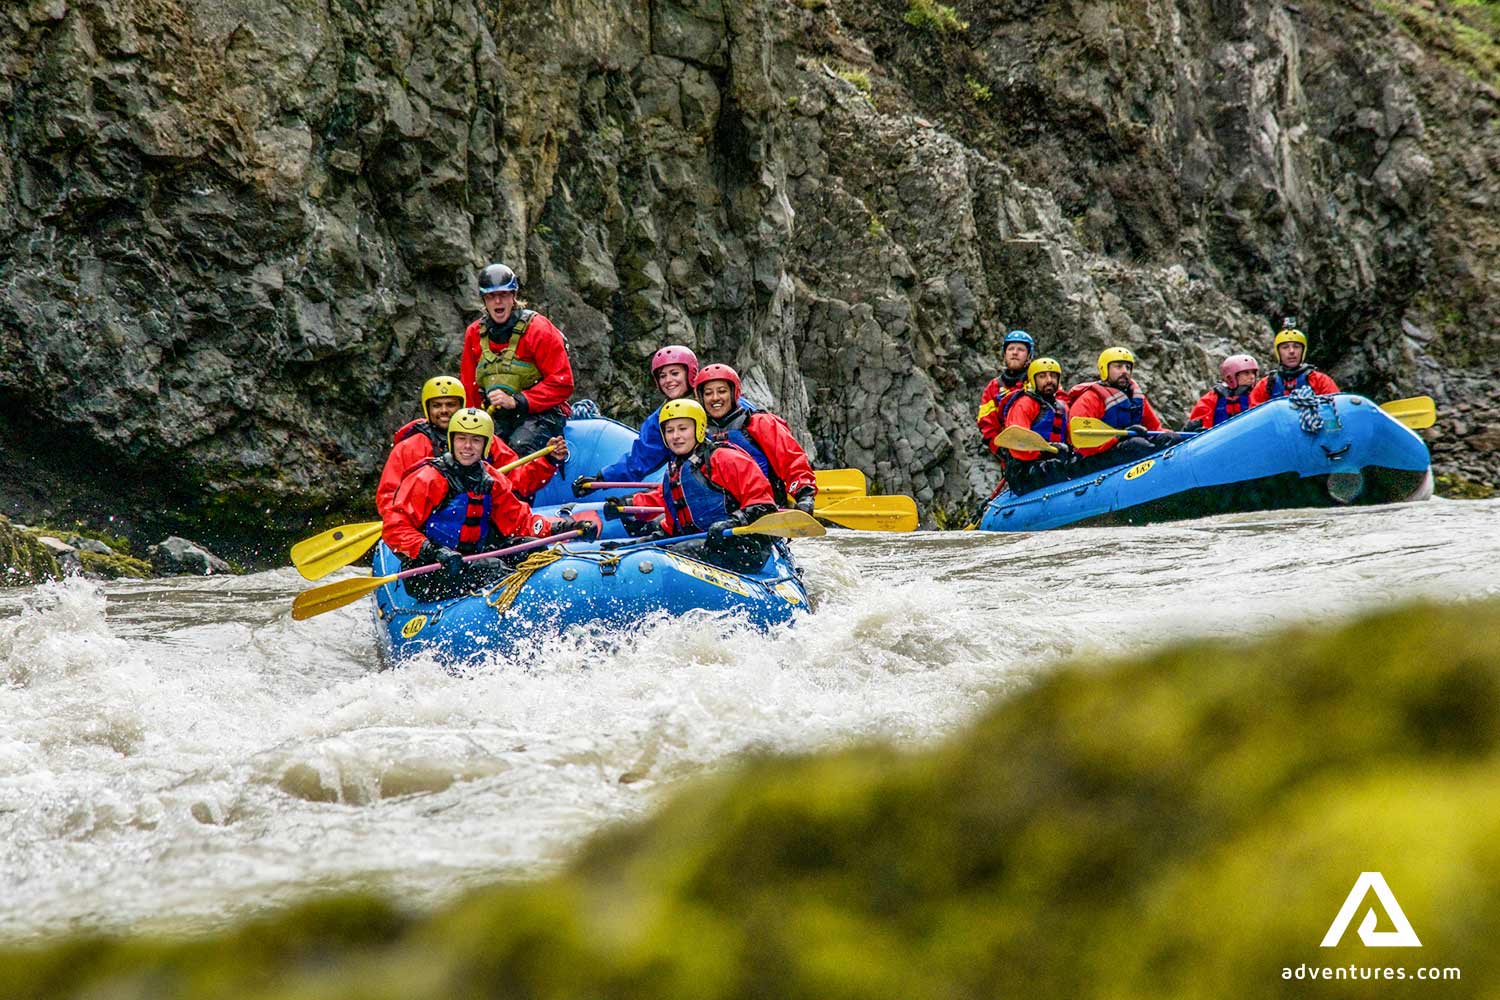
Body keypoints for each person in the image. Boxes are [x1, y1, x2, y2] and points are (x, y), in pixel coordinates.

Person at [382, 408, 597, 600]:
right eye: (461, 439)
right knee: (491, 568)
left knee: (534, 550)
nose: (467, 447)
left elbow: (520, 521)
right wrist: (432, 551)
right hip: (430, 568)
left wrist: (565, 527)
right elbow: (395, 527)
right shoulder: (428, 478)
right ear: (451, 441)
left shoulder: (491, 479)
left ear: (485, 446)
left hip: (473, 556)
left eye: (475, 440)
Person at [616, 399, 778, 573]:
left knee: (676, 555)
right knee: (640, 553)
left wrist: (731, 522)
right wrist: (635, 546)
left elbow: (764, 506)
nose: (675, 436)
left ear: (699, 429)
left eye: (683, 429)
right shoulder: (673, 472)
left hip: (744, 545)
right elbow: (672, 530)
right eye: (669, 431)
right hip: (704, 543)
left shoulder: (726, 459)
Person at [378, 375, 567, 517]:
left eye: (450, 404)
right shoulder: (410, 447)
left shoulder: (485, 440)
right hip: (432, 527)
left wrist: (548, 461)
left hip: (478, 523)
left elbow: (520, 482)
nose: (444, 411)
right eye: (437, 405)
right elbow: (389, 496)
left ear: (461, 406)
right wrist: (402, 525)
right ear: (428, 409)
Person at [459, 263, 575, 454]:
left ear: (513, 296)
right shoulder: (474, 334)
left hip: (542, 414)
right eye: (491, 296)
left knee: (520, 447)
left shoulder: (538, 329)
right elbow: (469, 388)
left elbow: (562, 382)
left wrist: (517, 401)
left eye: (503, 295)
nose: (498, 302)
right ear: (484, 300)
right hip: (498, 415)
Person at [572, 345, 697, 496]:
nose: (668, 381)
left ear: (690, 373)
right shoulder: (659, 419)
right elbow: (640, 459)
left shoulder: (711, 400)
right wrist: (600, 479)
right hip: (692, 484)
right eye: (662, 376)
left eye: (674, 373)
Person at [693, 363, 818, 514]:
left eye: (722, 391)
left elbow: (792, 461)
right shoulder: (696, 432)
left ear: (734, 393)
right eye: (708, 393)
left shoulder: (759, 423)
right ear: (701, 397)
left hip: (763, 511)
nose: (715, 398)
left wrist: (804, 494)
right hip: (718, 517)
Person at [1067, 346, 1179, 470]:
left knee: (1170, 438)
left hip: (1128, 445)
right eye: (1118, 366)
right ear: (1105, 369)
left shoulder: (1135, 396)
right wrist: (1119, 437)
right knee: (1136, 445)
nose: (1124, 371)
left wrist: (1169, 435)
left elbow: (1155, 428)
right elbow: (1083, 445)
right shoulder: (1089, 398)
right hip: (1095, 456)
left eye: (1128, 367)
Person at [996, 357, 1075, 495]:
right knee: (1055, 467)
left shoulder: (1063, 407)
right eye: (1042, 376)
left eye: (1053, 376)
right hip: (1023, 469)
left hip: (1055, 460)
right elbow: (1016, 443)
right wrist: (1045, 451)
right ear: (1033, 379)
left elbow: (1071, 439)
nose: (1049, 380)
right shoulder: (1024, 404)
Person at [1248, 322, 1341, 404]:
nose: (1291, 351)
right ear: (1278, 352)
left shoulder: (1320, 381)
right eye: (1285, 347)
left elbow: (1336, 406)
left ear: (1303, 351)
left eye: (1296, 347)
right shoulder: (1266, 385)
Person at [976, 330, 1036, 455]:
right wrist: (1000, 449)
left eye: (1021, 349)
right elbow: (986, 424)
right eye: (1010, 349)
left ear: (1029, 355)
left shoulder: (1041, 380)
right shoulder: (994, 387)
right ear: (1004, 354)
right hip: (1009, 454)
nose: (1015, 352)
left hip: (1040, 448)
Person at [1185, 354, 1260, 430]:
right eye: (1246, 373)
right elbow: (1200, 423)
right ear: (1230, 377)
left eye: (1253, 373)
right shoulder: (1211, 399)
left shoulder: (1257, 395)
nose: (1252, 377)